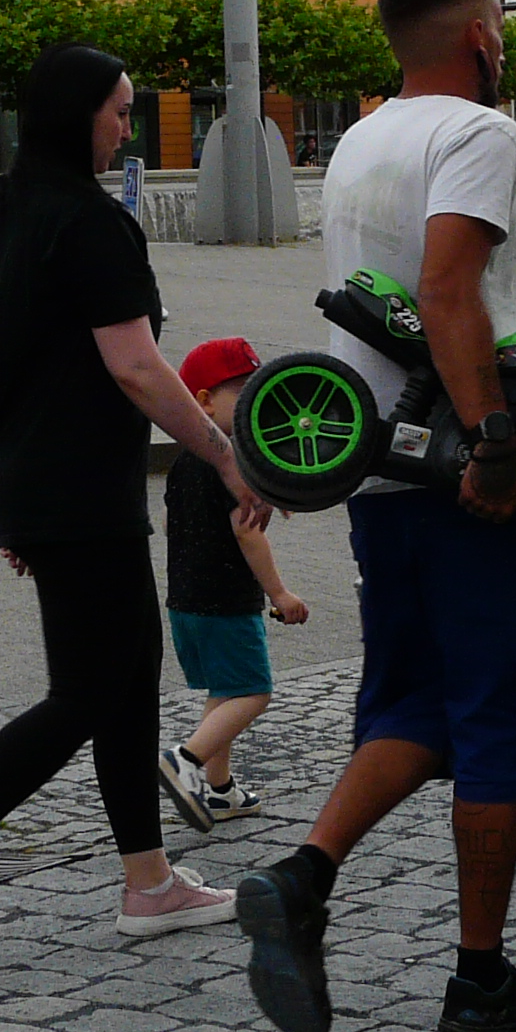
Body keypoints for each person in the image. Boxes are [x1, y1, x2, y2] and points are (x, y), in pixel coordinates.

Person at [234, 0, 516, 1032]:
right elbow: (447, 293)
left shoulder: (361, 134)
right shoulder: (479, 132)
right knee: (503, 714)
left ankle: (303, 879)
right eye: (501, 33)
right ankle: (479, 984)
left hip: (378, 481)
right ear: (480, 36)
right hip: (461, 477)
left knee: (415, 703)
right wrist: (495, 446)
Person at [0, 43, 261, 980]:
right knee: (87, 690)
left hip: (29, 477)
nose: (129, 127)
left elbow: (2, 360)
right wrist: (225, 457)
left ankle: (150, 882)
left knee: (127, 678)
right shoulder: (90, 223)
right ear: (77, 113)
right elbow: (135, 368)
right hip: (78, 486)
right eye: (120, 111)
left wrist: (12, 504)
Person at [157, 335, 309, 829]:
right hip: (226, 602)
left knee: (224, 692)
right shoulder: (230, 467)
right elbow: (248, 536)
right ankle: (186, 759)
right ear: (201, 401)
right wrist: (279, 593)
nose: (254, 405)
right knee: (253, 693)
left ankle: (220, 790)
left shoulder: (185, 461)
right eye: (242, 395)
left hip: (186, 602)